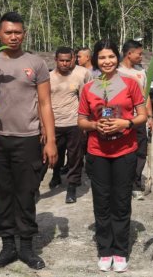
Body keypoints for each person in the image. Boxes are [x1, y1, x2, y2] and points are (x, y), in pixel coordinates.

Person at [0, 12, 57, 270]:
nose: (13, 36)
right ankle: (7, 247)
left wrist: (50, 140)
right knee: (0, 192)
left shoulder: (36, 63)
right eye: (8, 32)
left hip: (29, 139)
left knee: (26, 192)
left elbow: (45, 103)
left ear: (25, 33)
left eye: (18, 32)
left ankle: (26, 248)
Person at [78, 39, 147, 273]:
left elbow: (142, 115)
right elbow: (81, 121)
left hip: (125, 152)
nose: (107, 61)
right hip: (97, 152)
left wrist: (124, 122)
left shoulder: (130, 83)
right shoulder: (89, 88)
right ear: (96, 60)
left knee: (121, 200)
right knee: (101, 201)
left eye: (111, 57)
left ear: (117, 58)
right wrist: (95, 125)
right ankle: (105, 249)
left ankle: (120, 250)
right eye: (102, 57)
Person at [48, 46, 91, 203]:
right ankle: (56, 175)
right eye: (61, 60)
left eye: (68, 60)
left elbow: (85, 100)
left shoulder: (81, 75)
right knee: (54, 155)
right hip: (54, 123)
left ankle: (72, 187)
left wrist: (85, 123)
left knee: (75, 157)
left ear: (73, 59)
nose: (65, 63)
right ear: (56, 60)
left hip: (74, 123)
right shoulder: (48, 77)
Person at [117, 39, 153, 200]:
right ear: (129, 53)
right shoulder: (116, 72)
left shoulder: (141, 71)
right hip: (121, 120)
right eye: (139, 54)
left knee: (141, 151)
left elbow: (145, 96)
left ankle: (135, 181)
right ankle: (122, 182)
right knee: (124, 152)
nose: (141, 56)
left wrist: (150, 117)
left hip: (138, 119)